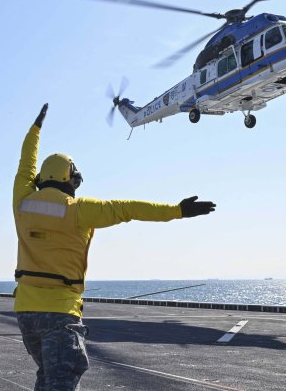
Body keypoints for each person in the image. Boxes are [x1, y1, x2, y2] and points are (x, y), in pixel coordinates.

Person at [13, 104, 216, 390]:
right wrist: (176, 210)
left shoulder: (21, 202)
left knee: (47, 377)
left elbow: (25, 164)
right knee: (61, 382)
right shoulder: (78, 210)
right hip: (60, 313)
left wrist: (35, 130)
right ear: (68, 179)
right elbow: (128, 208)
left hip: (25, 313)